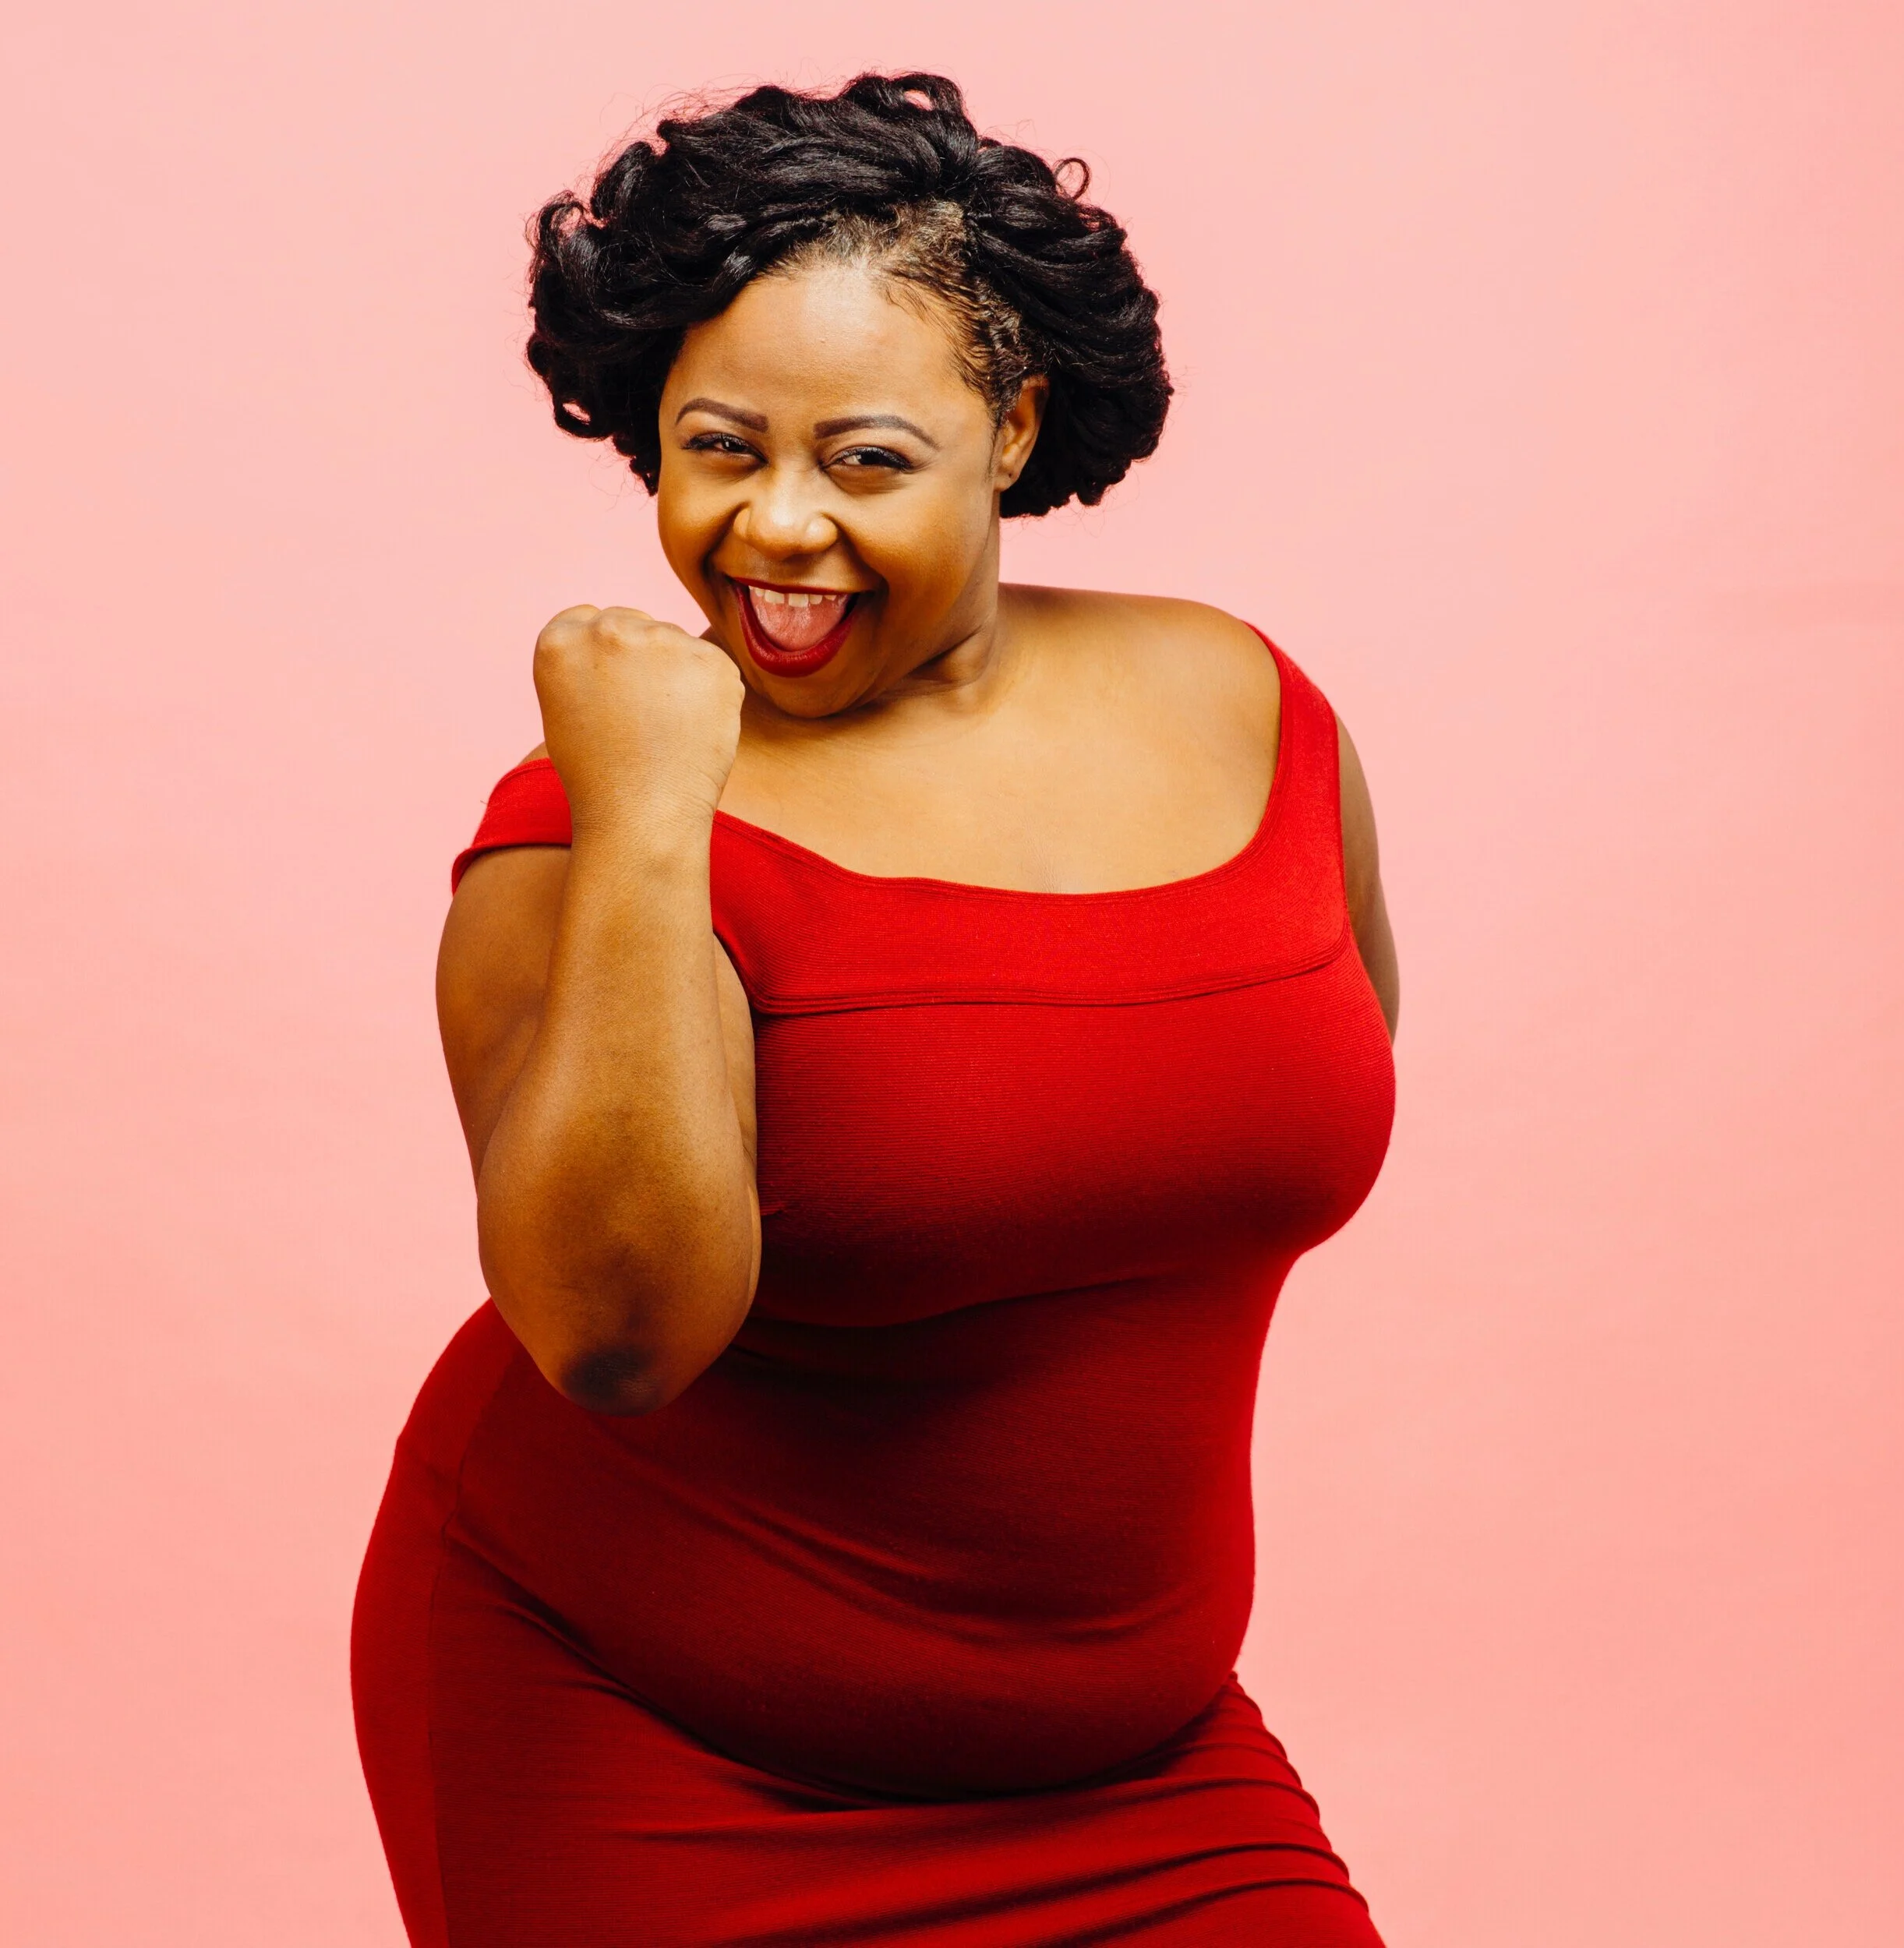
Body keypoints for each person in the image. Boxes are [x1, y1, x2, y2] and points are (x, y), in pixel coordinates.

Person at [351, 70, 1401, 1947]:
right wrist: (655, 817)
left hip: (1143, 1773)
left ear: (1005, 427)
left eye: (862, 460)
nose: (775, 529)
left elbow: (1295, 1096)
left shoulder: (1242, 705)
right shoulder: (574, 831)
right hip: (643, 1742)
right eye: (717, 448)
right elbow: (610, 1333)